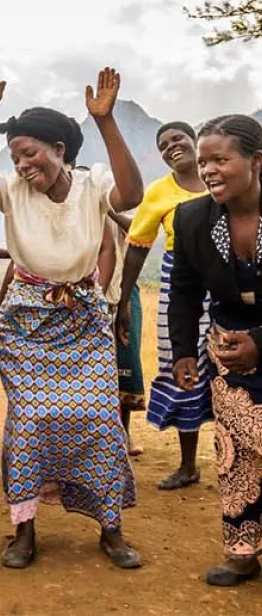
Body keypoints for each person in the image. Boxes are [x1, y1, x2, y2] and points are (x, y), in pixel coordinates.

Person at [0, 61, 143, 569]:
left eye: (30, 152)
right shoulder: (10, 190)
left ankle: (111, 528)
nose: (21, 164)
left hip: (83, 320)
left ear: (59, 151)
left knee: (101, 421)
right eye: (14, 156)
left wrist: (105, 122)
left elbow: (133, 195)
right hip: (26, 324)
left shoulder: (92, 185)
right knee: (30, 424)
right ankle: (24, 530)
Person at [168, 114, 262, 586]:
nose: (208, 170)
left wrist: (260, 345)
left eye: (221, 159)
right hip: (227, 346)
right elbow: (184, 289)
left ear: (256, 161)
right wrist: (184, 351)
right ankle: (242, 554)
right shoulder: (192, 218)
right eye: (204, 161)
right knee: (234, 455)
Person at [117, 121, 212, 490]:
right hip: (179, 286)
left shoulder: (225, 178)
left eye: (178, 138)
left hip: (231, 281)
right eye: (163, 144)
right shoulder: (158, 193)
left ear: (195, 140)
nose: (171, 146)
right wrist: (123, 302)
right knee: (182, 368)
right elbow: (137, 247)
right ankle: (189, 465)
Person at [106, 210, 145, 456]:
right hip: (91, 290)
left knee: (125, 359)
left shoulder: (114, 204)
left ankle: (124, 433)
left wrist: (107, 208)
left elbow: (137, 230)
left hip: (124, 290)